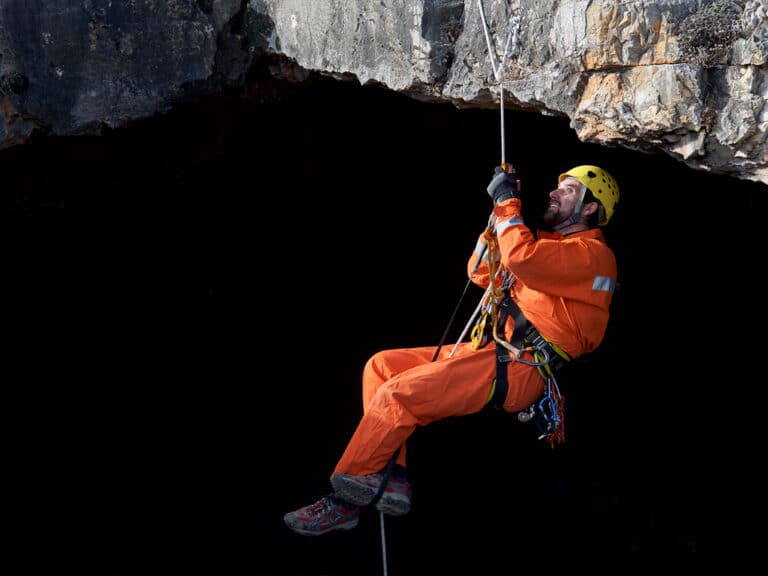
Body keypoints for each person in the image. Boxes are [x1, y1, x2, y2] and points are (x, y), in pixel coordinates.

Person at [283, 164, 620, 536]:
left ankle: (345, 500)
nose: (555, 193)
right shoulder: (548, 248)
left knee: (400, 395)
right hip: (495, 350)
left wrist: (508, 205)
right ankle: (391, 476)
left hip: (519, 364)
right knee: (382, 367)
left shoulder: (593, 256)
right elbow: (479, 271)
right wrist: (497, 216)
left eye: (569, 190)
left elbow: (521, 260)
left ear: (589, 209)